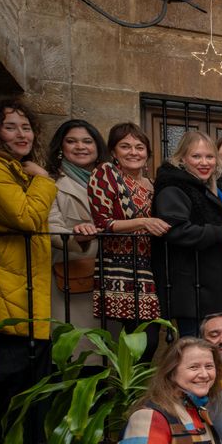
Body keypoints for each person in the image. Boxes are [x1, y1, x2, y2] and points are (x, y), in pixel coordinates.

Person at [0, 99, 58, 436]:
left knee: (33, 379)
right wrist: (44, 180)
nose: (21, 134)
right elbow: (25, 217)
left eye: (26, 127)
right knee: (14, 379)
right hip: (10, 289)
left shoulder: (16, 168)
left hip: (27, 289)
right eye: (10, 127)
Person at [152, 130, 222, 336]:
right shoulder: (173, 188)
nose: (204, 162)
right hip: (192, 291)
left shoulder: (214, 187)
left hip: (213, 288)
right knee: (196, 346)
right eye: (196, 156)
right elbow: (175, 230)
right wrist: (220, 233)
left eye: (209, 157)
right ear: (182, 159)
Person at [87, 122, 167, 338]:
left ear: (147, 153)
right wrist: (143, 222)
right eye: (125, 146)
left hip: (151, 266)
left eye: (139, 147)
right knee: (144, 338)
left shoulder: (153, 184)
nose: (133, 152)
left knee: (150, 336)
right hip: (121, 268)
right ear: (113, 152)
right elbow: (102, 223)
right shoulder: (106, 174)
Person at [46, 119, 107, 332]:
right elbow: (50, 227)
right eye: (71, 141)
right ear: (61, 148)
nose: (80, 147)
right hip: (73, 278)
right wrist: (76, 235)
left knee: (112, 347)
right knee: (80, 344)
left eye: (87, 141)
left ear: (97, 148)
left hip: (111, 280)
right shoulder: (50, 183)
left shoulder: (112, 182)